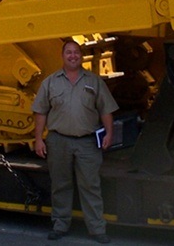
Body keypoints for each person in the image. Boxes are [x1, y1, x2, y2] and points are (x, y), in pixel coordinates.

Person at [32, 40, 119, 244]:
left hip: (87, 143)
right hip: (58, 141)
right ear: (62, 57)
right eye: (69, 53)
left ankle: (97, 229)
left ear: (81, 56)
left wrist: (109, 133)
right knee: (61, 185)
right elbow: (40, 112)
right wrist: (38, 139)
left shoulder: (94, 81)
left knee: (90, 186)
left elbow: (106, 110)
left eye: (76, 52)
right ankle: (60, 225)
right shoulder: (51, 82)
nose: (73, 56)